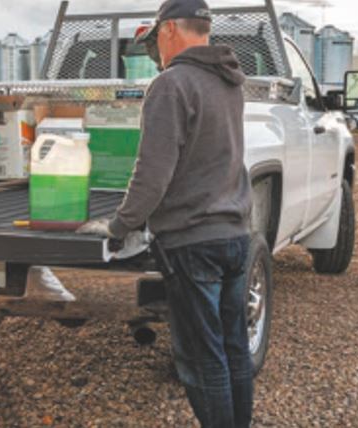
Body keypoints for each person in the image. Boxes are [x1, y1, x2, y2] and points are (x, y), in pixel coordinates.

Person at [77, 0, 253, 426]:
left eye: (157, 34)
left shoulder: (172, 84)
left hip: (194, 242)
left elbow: (153, 173)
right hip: (235, 234)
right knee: (233, 349)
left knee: (200, 357)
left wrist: (120, 225)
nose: (156, 45)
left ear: (171, 29)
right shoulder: (229, 81)